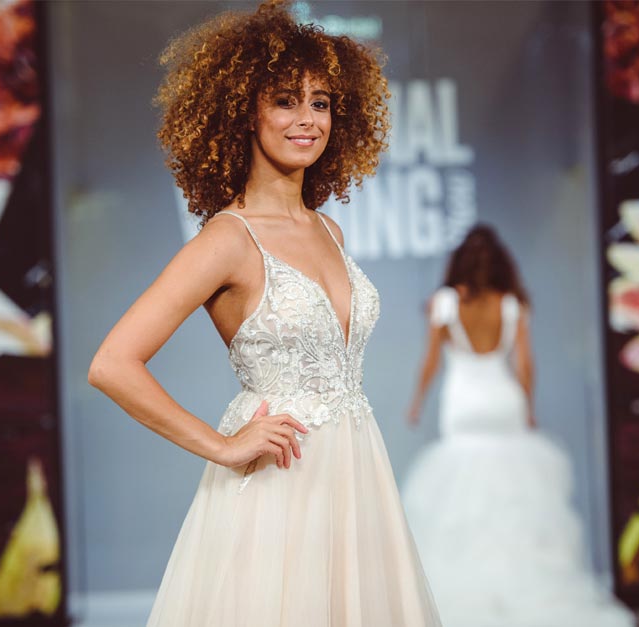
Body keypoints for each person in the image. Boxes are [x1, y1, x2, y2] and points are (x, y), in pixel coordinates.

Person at [87, 2, 441, 626]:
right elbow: (113, 364)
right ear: (243, 111)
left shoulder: (327, 228)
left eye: (322, 102)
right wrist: (222, 446)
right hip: (280, 484)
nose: (308, 119)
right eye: (285, 100)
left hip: (356, 477)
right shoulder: (228, 240)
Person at [403, 225, 634, 627]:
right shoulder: (510, 304)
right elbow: (524, 365)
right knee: (517, 501)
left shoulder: (444, 303)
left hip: (464, 405)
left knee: (463, 499)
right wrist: (528, 407)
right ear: (500, 264)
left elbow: (431, 362)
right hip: (502, 400)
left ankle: (466, 590)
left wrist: (417, 403)